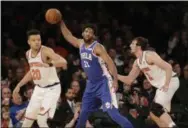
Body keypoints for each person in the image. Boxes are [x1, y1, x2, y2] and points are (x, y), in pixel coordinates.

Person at [60, 20, 133, 128]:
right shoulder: (80, 43)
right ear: (82, 33)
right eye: (86, 31)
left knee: (112, 113)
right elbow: (68, 36)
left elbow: (111, 64)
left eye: (90, 32)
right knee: (83, 112)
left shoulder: (98, 47)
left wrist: (116, 80)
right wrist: (60, 22)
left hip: (103, 83)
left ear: (93, 35)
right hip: (91, 84)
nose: (88, 33)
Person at [118, 37, 179, 128]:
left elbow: (168, 67)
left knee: (156, 108)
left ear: (138, 47)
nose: (130, 45)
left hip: (170, 81)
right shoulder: (137, 62)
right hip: (162, 86)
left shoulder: (149, 55)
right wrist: (115, 75)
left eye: (132, 44)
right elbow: (129, 80)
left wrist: (166, 85)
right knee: (153, 115)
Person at [13, 29, 67, 128]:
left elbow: (63, 62)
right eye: (34, 40)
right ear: (28, 42)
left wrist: (50, 64)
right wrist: (19, 85)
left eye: (39, 39)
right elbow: (31, 72)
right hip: (38, 89)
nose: (37, 42)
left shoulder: (46, 51)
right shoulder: (28, 54)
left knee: (41, 120)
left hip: (52, 89)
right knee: (27, 121)